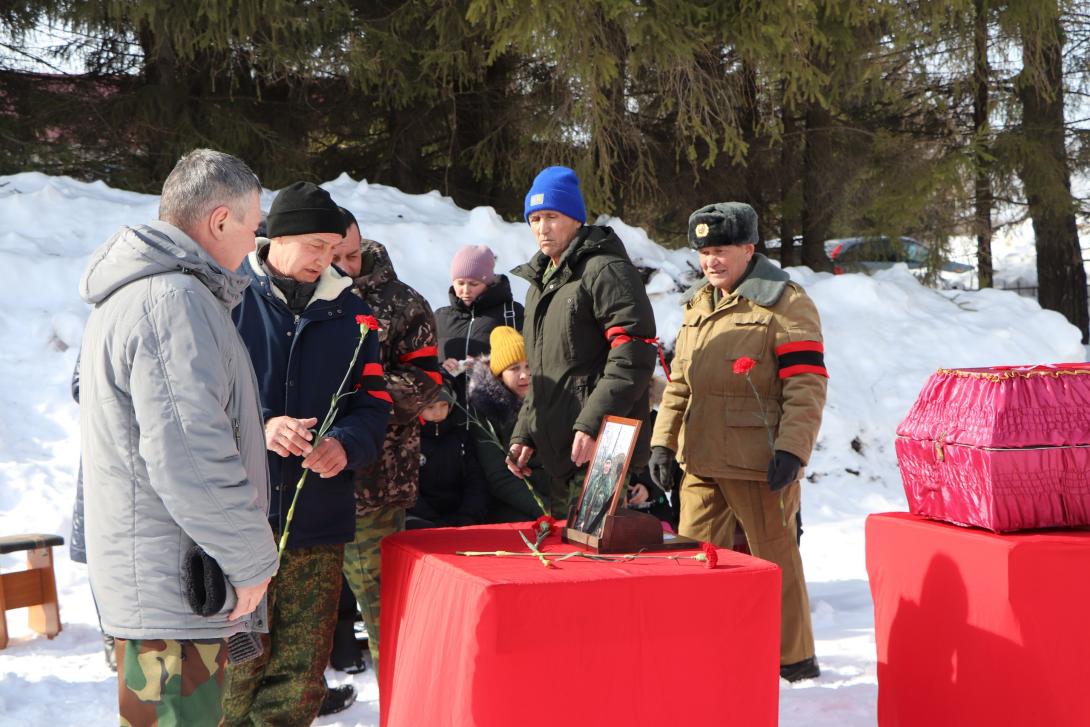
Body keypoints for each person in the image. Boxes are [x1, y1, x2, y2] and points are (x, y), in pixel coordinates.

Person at [77, 148, 277, 726]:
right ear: (219, 221)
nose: (254, 246)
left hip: (165, 582)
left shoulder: (153, 293)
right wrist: (251, 559)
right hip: (173, 589)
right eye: (253, 228)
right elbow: (187, 452)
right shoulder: (172, 300)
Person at [225, 182, 392, 723]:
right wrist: (262, 428)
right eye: (315, 246)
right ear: (276, 236)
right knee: (234, 668)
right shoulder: (227, 298)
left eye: (333, 248)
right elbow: (192, 405)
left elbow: (374, 407)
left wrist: (345, 445)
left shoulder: (352, 315)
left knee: (299, 676)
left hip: (316, 524)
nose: (326, 259)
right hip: (239, 522)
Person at [649, 201, 828, 683]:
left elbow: (806, 383)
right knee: (695, 558)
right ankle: (700, 649)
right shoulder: (696, 305)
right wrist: (662, 444)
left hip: (758, 462)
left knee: (775, 561)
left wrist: (793, 449)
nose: (712, 261)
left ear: (749, 248)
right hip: (701, 461)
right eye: (705, 251)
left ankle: (793, 661)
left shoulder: (785, 302)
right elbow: (680, 385)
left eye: (722, 249)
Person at [506, 166, 658, 518]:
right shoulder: (539, 286)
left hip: (604, 448)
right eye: (535, 218)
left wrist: (593, 424)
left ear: (575, 218)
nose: (542, 227)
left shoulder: (606, 271)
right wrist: (525, 433)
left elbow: (632, 356)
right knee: (565, 560)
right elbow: (544, 373)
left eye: (552, 216)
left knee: (596, 562)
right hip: (558, 448)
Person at [330, 209, 442, 677]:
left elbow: (426, 381)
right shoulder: (295, 294)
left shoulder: (402, 303)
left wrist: (356, 390)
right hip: (304, 481)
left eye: (351, 255)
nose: (342, 266)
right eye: (332, 256)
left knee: (381, 610)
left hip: (374, 484)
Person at [467, 326, 554, 522]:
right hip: (514, 506)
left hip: (559, 498)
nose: (524, 375)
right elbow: (498, 476)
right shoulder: (485, 410)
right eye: (514, 368)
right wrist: (544, 510)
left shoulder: (551, 397)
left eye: (528, 366)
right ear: (499, 374)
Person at [408, 382, 488, 528]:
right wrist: (432, 519)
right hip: (421, 518)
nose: (438, 413)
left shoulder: (461, 437)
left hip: (461, 516)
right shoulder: (409, 440)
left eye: (443, 405)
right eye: (430, 407)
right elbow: (408, 488)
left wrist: (468, 514)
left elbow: (475, 480)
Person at [435, 244, 525, 374]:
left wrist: (488, 365)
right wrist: (441, 366)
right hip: (451, 393)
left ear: (488, 283)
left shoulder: (510, 314)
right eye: (460, 283)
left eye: (474, 284)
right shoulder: (440, 317)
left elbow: (526, 361)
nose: (466, 290)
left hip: (494, 392)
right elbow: (424, 364)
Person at [573, 455, 621, 535]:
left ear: (611, 466)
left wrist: (600, 526)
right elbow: (586, 499)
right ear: (603, 464)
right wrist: (581, 519)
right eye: (606, 463)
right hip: (587, 513)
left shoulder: (609, 482)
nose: (607, 465)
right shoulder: (596, 478)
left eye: (609, 463)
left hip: (597, 516)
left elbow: (606, 506)